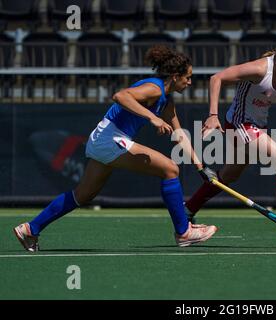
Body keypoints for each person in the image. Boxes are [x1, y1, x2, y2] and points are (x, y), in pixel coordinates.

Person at [13, 45, 219, 251]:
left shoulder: (167, 103)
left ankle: (31, 229)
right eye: (188, 77)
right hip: (111, 138)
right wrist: (152, 118)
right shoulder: (154, 88)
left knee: (83, 195)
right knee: (170, 169)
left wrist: (200, 167)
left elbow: (179, 135)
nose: (190, 82)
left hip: (103, 140)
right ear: (175, 76)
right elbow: (120, 96)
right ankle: (183, 232)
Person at [184, 29, 276, 241]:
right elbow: (217, 78)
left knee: (229, 175)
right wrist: (213, 115)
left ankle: (188, 209)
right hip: (239, 124)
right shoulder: (260, 69)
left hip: (257, 126)